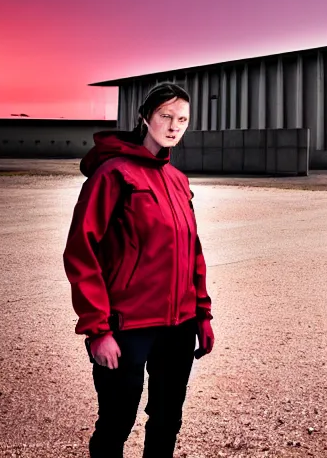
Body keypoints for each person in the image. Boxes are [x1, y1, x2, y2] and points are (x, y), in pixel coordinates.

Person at [63, 81, 214, 458]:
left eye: (182, 119)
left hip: (178, 328)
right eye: (166, 115)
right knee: (116, 422)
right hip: (127, 327)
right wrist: (98, 329)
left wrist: (203, 316)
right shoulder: (114, 174)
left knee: (167, 419)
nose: (174, 125)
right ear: (146, 117)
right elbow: (82, 252)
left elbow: (192, 251)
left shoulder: (178, 182)